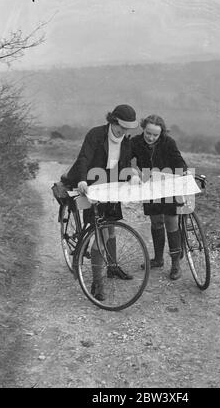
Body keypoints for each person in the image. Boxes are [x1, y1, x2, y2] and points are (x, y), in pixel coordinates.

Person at [61, 104, 139, 300]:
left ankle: (112, 268)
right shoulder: (96, 134)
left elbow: (125, 164)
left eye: (128, 127)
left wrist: (132, 175)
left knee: (111, 229)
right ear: (113, 121)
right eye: (121, 126)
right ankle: (97, 282)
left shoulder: (126, 141)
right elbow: (84, 158)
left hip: (111, 187)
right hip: (91, 185)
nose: (124, 130)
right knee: (101, 232)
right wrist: (81, 180)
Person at [130, 114, 187, 280]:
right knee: (156, 221)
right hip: (149, 184)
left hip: (169, 184)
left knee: (171, 222)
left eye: (155, 135)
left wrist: (183, 173)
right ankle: (158, 259)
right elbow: (126, 159)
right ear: (143, 129)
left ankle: (176, 264)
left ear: (161, 133)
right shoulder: (135, 142)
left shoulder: (168, 142)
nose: (151, 137)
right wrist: (133, 172)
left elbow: (179, 161)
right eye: (148, 133)